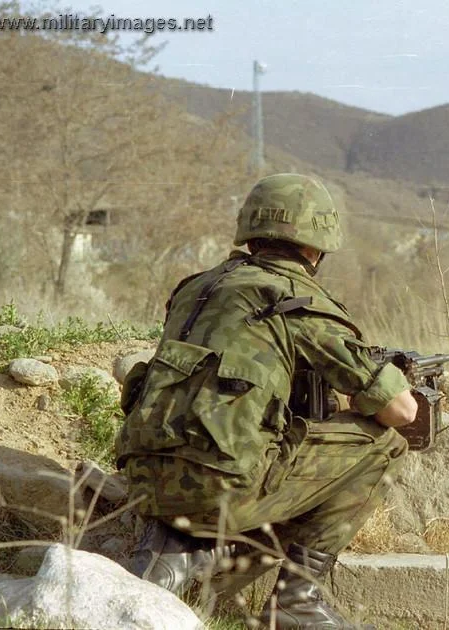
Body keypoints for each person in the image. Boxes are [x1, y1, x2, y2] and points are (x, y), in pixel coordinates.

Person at [115, 173, 417, 629]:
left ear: (250, 231)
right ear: (316, 246)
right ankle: (296, 598)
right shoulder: (295, 299)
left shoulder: (196, 289)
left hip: (143, 484)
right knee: (384, 444)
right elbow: (400, 410)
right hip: (222, 493)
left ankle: (178, 547)